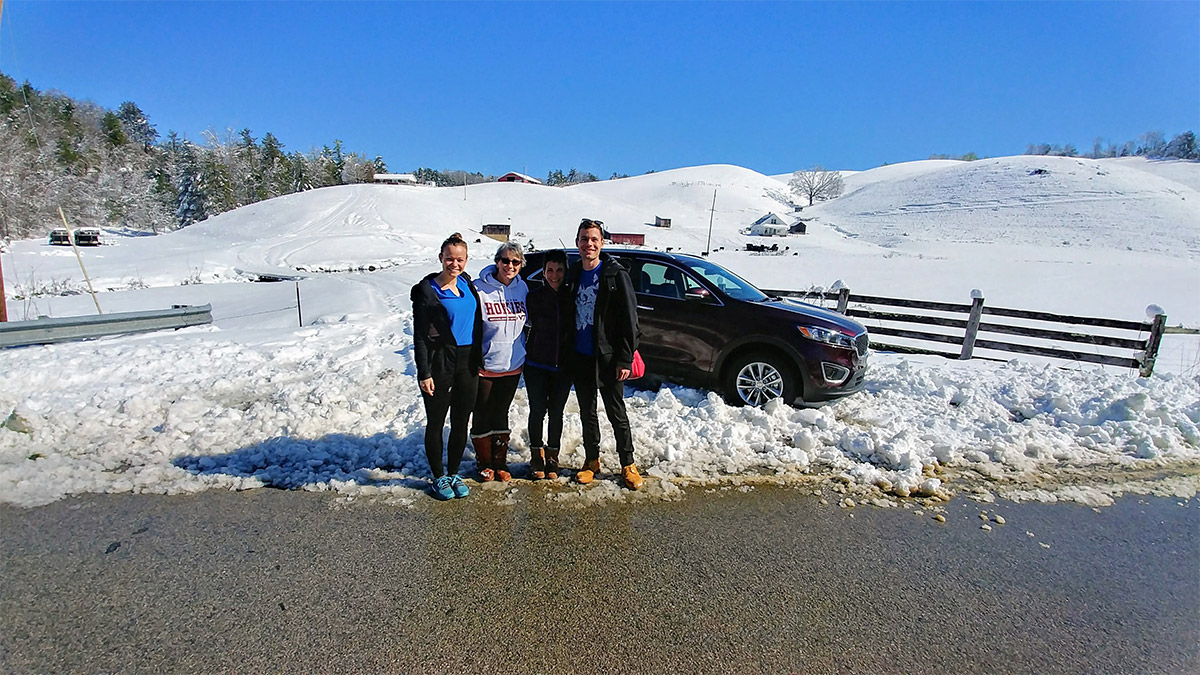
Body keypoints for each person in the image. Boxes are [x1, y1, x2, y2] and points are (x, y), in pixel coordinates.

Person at [567, 218, 643, 490]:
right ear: (577, 243)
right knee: (587, 412)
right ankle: (592, 460)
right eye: (584, 239)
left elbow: (630, 321)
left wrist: (625, 358)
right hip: (581, 356)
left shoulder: (614, 274)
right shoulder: (574, 272)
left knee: (616, 412)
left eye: (594, 239)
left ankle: (628, 464)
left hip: (609, 358)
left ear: (602, 243)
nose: (589, 244)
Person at [411, 233, 484, 500]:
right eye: (450, 259)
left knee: (461, 421)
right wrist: (424, 372)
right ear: (441, 258)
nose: (455, 264)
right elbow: (419, 336)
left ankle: (454, 473)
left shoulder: (466, 284)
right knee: (436, 423)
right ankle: (438, 476)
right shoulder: (428, 291)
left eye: (460, 259)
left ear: (466, 260)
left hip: (468, 363)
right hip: (440, 363)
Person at [469, 241, 530, 482]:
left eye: (516, 262)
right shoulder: (479, 288)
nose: (510, 266)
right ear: (497, 261)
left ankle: (500, 462)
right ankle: (484, 462)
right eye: (505, 260)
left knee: (501, 413)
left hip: (512, 365)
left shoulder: (522, 288)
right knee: (482, 413)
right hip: (486, 364)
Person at [523, 249, 573, 480]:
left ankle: (552, 457)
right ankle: (536, 455)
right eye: (550, 270)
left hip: (563, 367)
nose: (554, 275)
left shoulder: (572, 296)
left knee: (556, 413)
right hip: (536, 364)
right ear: (543, 272)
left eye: (559, 270)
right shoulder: (533, 297)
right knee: (537, 411)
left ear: (565, 271)